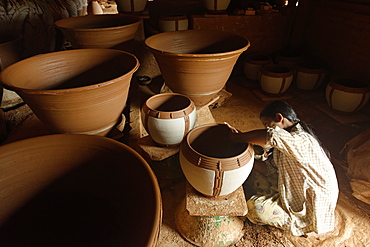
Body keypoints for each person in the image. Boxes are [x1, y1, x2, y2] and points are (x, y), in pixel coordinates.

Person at [226, 100, 339, 236]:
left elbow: (271, 136)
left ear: (279, 118)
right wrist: (245, 160)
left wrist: (237, 138)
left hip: (312, 205)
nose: (267, 128)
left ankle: (302, 225)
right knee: (253, 170)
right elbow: (269, 169)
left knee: (255, 209)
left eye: (267, 124)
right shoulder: (286, 144)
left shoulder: (302, 139)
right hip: (297, 190)